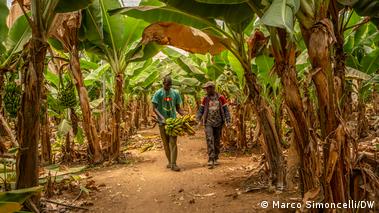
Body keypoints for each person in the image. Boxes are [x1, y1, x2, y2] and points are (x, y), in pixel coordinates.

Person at [152, 76, 184, 171]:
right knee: (166, 143)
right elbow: (154, 108)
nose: (168, 87)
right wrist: (162, 118)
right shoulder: (158, 93)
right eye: (167, 85)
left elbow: (178, 107)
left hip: (173, 122)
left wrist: (184, 115)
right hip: (162, 123)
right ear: (163, 83)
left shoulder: (175, 93)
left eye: (170, 85)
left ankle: (174, 164)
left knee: (173, 142)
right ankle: (170, 162)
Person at [196, 81, 231, 169]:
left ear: (212, 88)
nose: (206, 90)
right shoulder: (205, 99)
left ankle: (216, 157)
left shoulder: (221, 98)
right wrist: (198, 119)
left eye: (208, 88)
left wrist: (228, 121)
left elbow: (226, 110)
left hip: (219, 122)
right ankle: (211, 159)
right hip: (208, 122)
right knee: (209, 139)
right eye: (206, 89)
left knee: (217, 140)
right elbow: (201, 110)